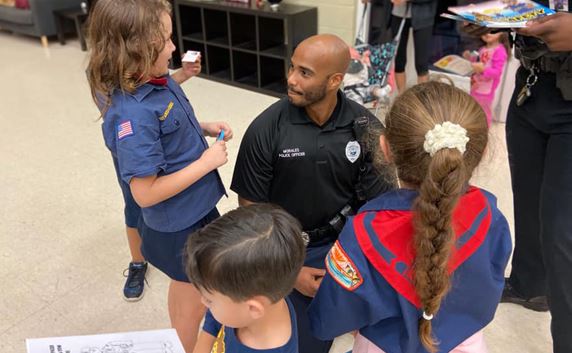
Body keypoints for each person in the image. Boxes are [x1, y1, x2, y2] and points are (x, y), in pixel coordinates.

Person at [308, 81, 512, 353]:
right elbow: (490, 285)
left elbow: (329, 319)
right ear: (480, 151)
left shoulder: (363, 233)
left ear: (385, 148)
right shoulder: (490, 215)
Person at [230, 34, 393, 353]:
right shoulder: (266, 130)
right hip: (283, 250)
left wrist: (355, 265)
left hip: (343, 244)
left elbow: (382, 209)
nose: (290, 79)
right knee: (302, 344)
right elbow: (250, 214)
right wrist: (290, 275)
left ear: (335, 80)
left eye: (304, 73)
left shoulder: (366, 128)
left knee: (379, 328)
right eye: (292, 68)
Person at [86, 1, 232, 352]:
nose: (173, 48)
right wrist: (206, 163)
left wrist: (205, 127)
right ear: (135, 52)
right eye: (165, 41)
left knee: (201, 282)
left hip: (196, 207)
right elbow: (145, 194)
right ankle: (183, 345)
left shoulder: (154, 81)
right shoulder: (131, 117)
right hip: (178, 222)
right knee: (191, 293)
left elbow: (171, 125)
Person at [501, 6, 572, 353]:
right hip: (531, 84)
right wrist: (497, 23)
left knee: (562, 232)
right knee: (527, 199)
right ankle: (530, 284)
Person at [186, 204, 306, 353]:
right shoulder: (262, 293)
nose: (202, 301)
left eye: (209, 300)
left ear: (253, 308)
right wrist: (203, 345)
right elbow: (215, 316)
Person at [362, 0, 438, 93]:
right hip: (397, 14)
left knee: (421, 64)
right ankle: (402, 98)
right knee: (399, 61)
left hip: (423, 16)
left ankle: (422, 102)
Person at [463, 31, 509, 126]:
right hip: (475, 85)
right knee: (472, 109)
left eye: (492, 31)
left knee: (483, 112)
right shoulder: (483, 48)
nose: (488, 33)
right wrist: (470, 58)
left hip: (485, 89)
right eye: (484, 31)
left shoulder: (500, 50)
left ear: (502, 33)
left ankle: (484, 132)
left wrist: (483, 70)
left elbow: (496, 73)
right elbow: (480, 63)